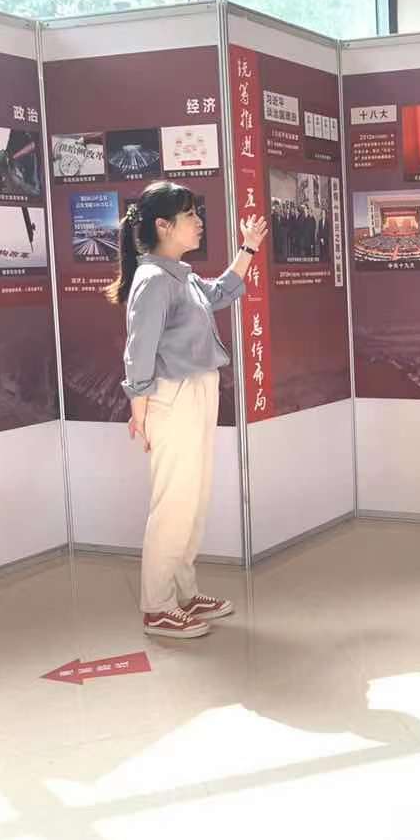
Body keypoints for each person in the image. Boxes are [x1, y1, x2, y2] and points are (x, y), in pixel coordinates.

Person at [111, 180, 268, 639]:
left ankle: (183, 591)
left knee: (193, 499)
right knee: (174, 502)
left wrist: (248, 249)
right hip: (172, 397)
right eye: (190, 215)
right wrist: (140, 409)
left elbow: (220, 292)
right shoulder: (154, 281)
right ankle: (157, 606)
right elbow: (138, 350)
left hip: (196, 391)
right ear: (163, 225)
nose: (199, 223)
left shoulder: (180, 276)